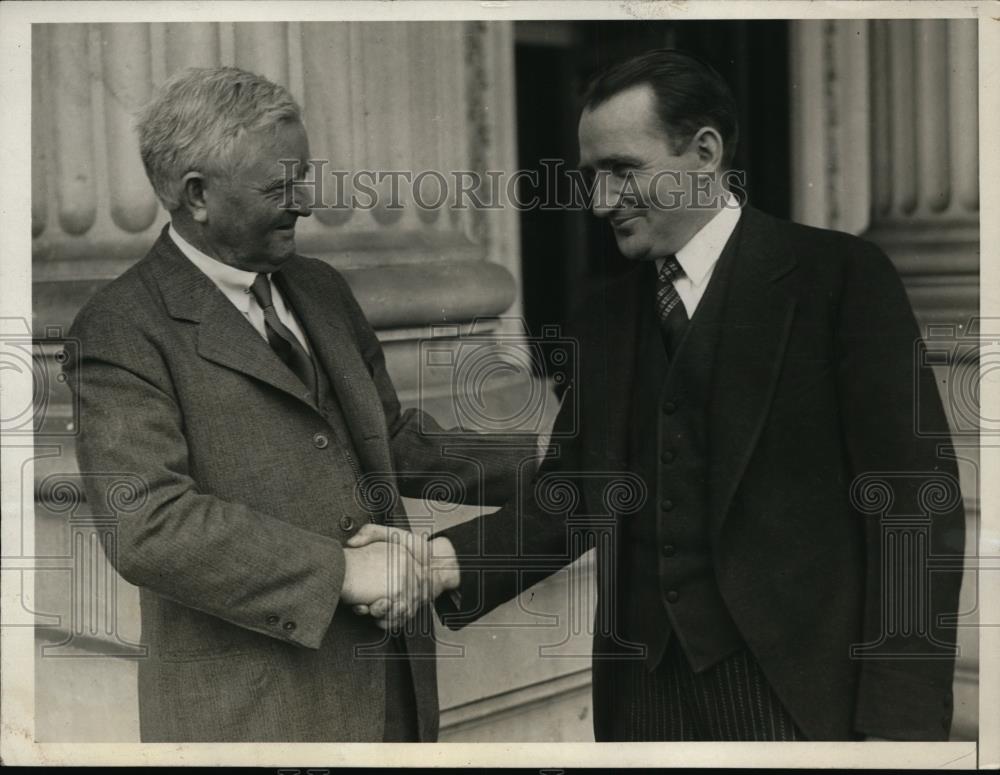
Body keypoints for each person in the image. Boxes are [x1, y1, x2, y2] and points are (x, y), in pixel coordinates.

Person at [349, 49, 966, 742]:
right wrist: (435, 561)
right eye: (591, 176)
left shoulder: (839, 280)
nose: (599, 202)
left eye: (622, 170)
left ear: (704, 151)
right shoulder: (605, 313)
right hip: (642, 703)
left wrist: (898, 730)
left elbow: (914, 509)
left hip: (802, 703)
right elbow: (578, 490)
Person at [65, 65, 525, 743]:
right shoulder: (120, 327)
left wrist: (547, 457)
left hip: (392, 690)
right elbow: (149, 525)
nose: (307, 201)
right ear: (197, 195)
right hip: (254, 717)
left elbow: (389, 441)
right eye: (280, 186)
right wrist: (344, 569)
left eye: (303, 175)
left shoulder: (320, 288)